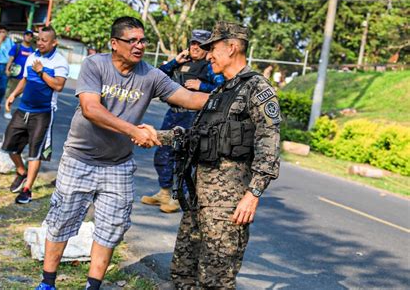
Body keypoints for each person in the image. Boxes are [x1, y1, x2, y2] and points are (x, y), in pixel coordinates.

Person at [35, 16, 209, 290]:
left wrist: (231, 98)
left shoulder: (150, 75)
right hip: (79, 159)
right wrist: (133, 131)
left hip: (118, 165)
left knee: (111, 228)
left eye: (142, 40)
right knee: (62, 221)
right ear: (115, 44)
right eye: (132, 41)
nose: (139, 46)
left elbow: (187, 98)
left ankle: (93, 286)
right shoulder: (95, 65)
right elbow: (91, 109)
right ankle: (48, 283)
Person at [167, 21, 281, 289]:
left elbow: (269, 144)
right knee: (183, 268)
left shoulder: (257, 89)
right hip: (199, 195)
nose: (208, 55)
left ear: (231, 48)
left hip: (227, 203)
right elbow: (197, 135)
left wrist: (252, 195)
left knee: (215, 277)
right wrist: (155, 136)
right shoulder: (221, 90)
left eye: (213, 48)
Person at [141, 29, 224, 213]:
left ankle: (179, 198)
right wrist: (174, 62)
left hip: (193, 116)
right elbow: (155, 77)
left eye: (200, 45)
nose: (195, 47)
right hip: (173, 114)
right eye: (193, 43)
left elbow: (223, 88)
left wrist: (201, 86)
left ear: (207, 48)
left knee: (184, 157)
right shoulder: (182, 62)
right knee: (162, 152)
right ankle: (164, 191)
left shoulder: (210, 66)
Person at [1, 26, 68, 204]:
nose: (39, 43)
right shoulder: (33, 56)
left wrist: (41, 71)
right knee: (8, 145)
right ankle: (21, 171)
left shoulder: (60, 62)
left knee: (34, 153)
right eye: (38, 39)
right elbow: (25, 79)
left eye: (44, 40)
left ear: (54, 42)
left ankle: (27, 189)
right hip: (23, 109)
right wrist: (13, 95)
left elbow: (58, 85)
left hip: (43, 113)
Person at [4, 29, 35, 119]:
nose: (28, 37)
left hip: (26, 78)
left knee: (26, 97)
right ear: (24, 36)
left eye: (30, 35)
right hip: (15, 75)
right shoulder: (17, 47)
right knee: (11, 94)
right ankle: (7, 110)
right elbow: (11, 58)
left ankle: (23, 114)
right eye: (27, 35)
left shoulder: (32, 50)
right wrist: (7, 69)